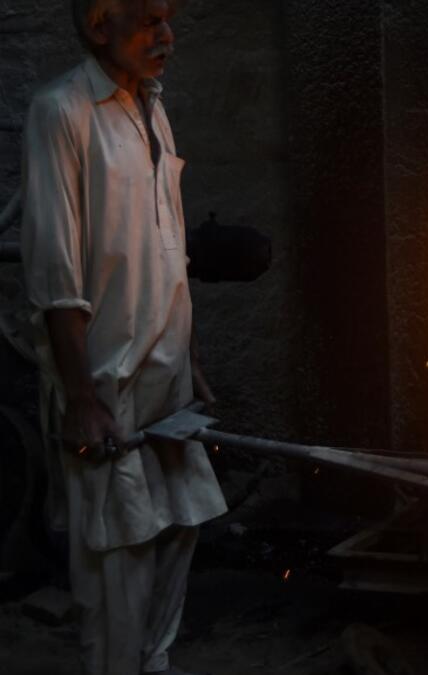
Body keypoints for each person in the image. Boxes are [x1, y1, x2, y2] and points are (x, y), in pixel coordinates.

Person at [19, 1, 226, 673]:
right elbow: (56, 275)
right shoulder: (63, 113)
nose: (164, 34)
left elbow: (170, 250)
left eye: (169, 18)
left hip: (166, 379)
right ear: (98, 24)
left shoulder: (152, 107)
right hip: (108, 383)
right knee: (117, 572)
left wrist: (190, 361)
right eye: (146, 19)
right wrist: (81, 397)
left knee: (178, 535)